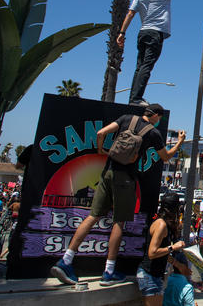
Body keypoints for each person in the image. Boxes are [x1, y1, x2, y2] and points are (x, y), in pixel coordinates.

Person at [50, 104, 185, 286]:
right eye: (159, 118)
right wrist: (179, 142)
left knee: (92, 216)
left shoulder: (126, 119)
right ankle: (109, 271)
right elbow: (166, 157)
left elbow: (100, 134)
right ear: (155, 116)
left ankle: (66, 260)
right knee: (119, 222)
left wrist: (100, 150)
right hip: (126, 178)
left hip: (108, 172)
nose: (158, 121)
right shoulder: (153, 133)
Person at [117, 0, 203, 105]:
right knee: (147, 65)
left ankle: (133, 98)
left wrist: (122, 33)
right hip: (155, 33)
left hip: (143, 33)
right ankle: (136, 99)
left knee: (139, 66)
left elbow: (130, 14)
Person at [136, 193, 185, 306]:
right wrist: (173, 247)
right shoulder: (161, 225)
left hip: (154, 275)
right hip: (150, 275)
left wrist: (178, 265)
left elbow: (162, 253)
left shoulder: (162, 223)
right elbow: (152, 253)